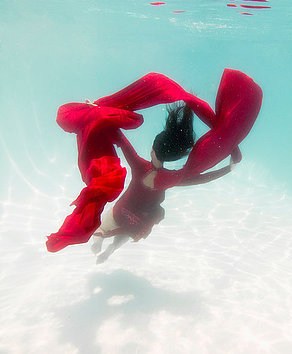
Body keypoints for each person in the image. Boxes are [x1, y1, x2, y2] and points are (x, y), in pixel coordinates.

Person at [92, 104, 238, 263]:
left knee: (104, 226)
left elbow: (121, 140)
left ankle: (99, 238)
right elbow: (202, 178)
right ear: (172, 156)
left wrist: (96, 110)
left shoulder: (139, 165)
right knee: (127, 232)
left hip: (121, 211)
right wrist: (228, 169)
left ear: (152, 150)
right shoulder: (171, 178)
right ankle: (112, 247)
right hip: (138, 221)